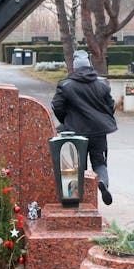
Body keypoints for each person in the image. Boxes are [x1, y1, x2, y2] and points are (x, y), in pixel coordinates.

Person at [51, 50, 118, 204]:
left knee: (74, 166)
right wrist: (103, 119)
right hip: (98, 132)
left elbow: (57, 105)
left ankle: (74, 200)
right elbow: (111, 106)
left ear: (74, 67)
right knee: (99, 162)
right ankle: (102, 182)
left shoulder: (66, 85)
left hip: (75, 133)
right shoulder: (102, 84)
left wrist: (66, 122)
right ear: (89, 66)